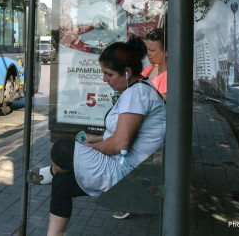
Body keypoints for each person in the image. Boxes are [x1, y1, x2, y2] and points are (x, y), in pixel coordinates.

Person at [30, 36, 166, 235]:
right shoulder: (139, 89)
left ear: (127, 72)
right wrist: (98, 138)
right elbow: (126, 132)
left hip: (127, 173)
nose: (104, 79)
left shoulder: (136, 94)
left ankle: (52, 171)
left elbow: (120, 143)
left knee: (63, 149)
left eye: (108, 74)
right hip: (127, 167)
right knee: (62, 183)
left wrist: (89, 149)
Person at [143, 28, 168, 101]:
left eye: (152, 50)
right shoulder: (147, 69)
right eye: (147, 50)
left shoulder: (169, 76)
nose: (148, 53)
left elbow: (159, 102)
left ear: (166, 52)